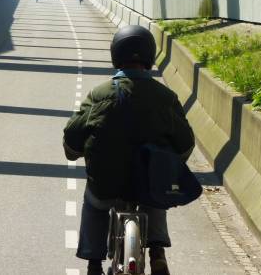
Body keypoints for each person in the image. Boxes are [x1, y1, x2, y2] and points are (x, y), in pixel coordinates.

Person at [63, 25, 195, 275]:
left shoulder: (99, 95)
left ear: (116, 55)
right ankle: (157, 251)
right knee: (156, 196)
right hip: (148, 183)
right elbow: (185, 143)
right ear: (150, 56)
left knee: (95, 203)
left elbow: (73, 136)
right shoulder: (166, 97)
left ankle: (93, 264)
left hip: (107, 181)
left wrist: (74, 151)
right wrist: (171, 163)